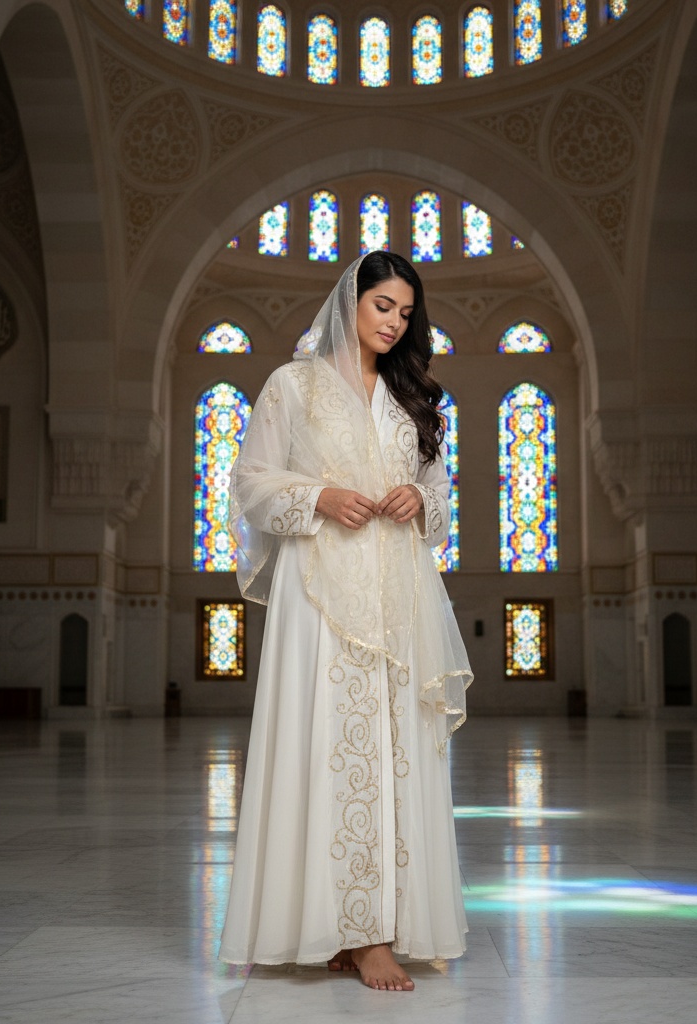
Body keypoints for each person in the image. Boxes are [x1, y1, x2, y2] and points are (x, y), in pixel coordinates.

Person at [218, 252, 472, 992]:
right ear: (350, 301)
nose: (393, 322)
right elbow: (250, 482)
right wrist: (319, 497)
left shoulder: (410, 399)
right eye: (382, 305)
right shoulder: (291, 385)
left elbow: (439, 493)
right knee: (324, 745)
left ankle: (378, 930)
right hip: (320, 593)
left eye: (405, 313)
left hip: (398, 596)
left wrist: (421, 500)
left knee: (396, 750)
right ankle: (339, 928)